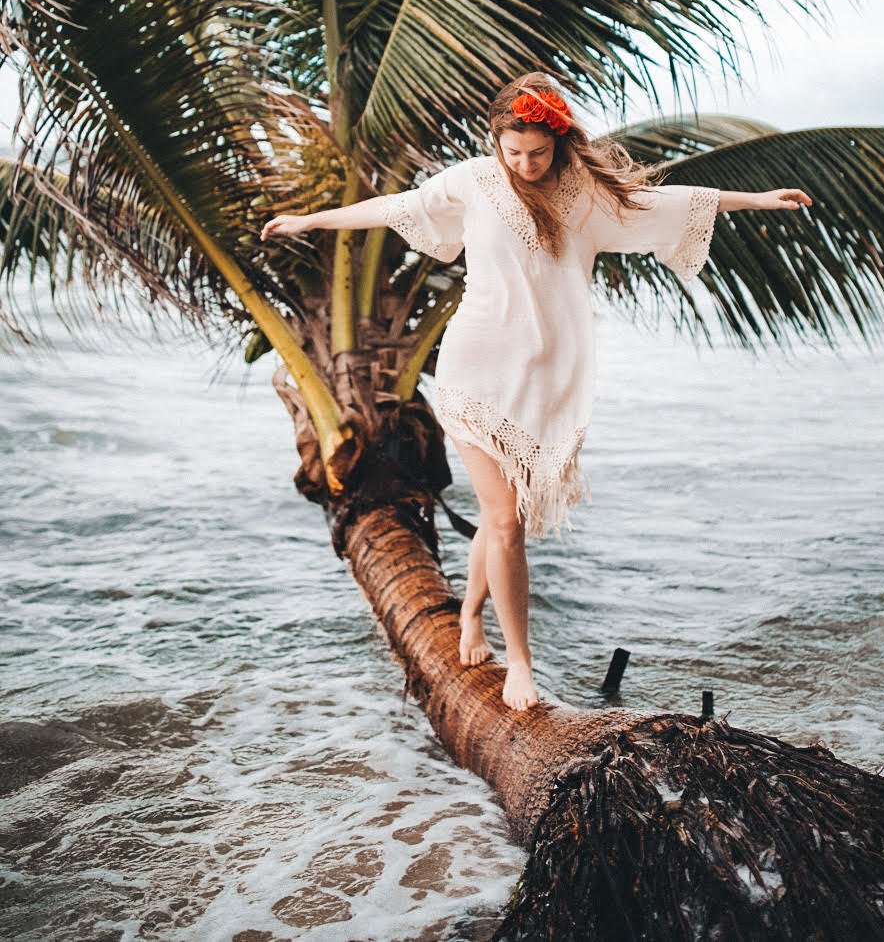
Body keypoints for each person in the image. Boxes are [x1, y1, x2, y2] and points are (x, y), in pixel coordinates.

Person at [261, 73, 812, 711]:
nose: (524, 164)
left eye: (536, 153)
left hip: (545, 380)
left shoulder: (584, 195)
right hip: (475, 370)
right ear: (496, 140)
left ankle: (469, 614)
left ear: (558, 142)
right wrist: (310, 219)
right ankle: (519, 662)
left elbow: (670, 202)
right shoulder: (471, 182)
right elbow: (394, 208)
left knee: (507, 518)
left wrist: (758, 200)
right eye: (512, 152)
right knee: (503, 520)